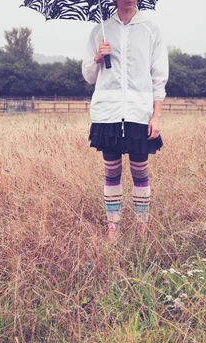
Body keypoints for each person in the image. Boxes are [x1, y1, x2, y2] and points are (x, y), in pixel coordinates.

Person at [82, 0, 169, 241]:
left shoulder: (151, 30)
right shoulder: (100, 30)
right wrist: (98, 57)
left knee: (140, 172)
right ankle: (113, 228)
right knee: (111, 172)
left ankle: (142, 227)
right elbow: (88, 76)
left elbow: (158, 76)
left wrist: (157, 115)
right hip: (108, 112)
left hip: (139, 113)